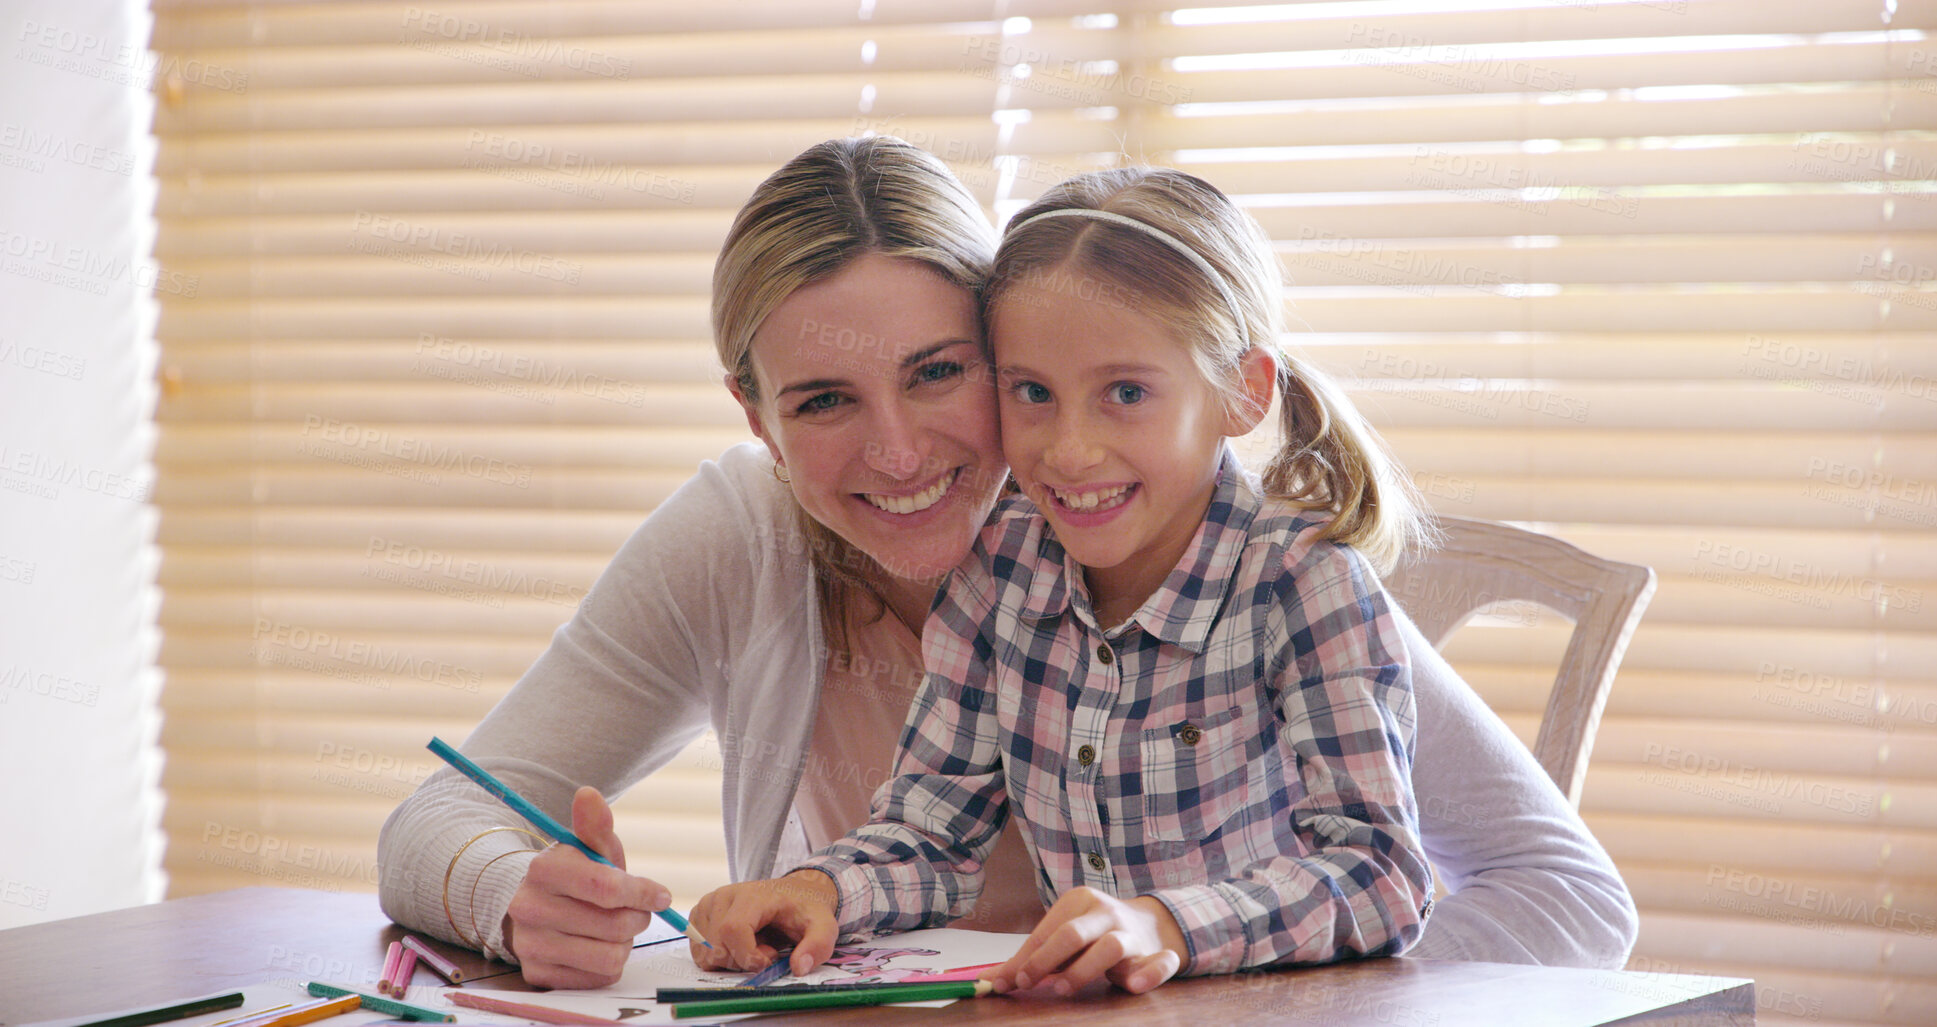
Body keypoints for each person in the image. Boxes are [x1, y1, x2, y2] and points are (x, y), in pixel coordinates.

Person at [375, 136, 1637, 991]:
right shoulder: (861, 558)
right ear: (755, 417)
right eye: (821, 399)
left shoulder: (1247, 565)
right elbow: (921, 831)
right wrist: (523, 896)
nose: (899, 448)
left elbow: (1536, 893)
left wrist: (1221, 980)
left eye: (940, 372)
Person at [686, 167, 1431, 994]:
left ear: (1241, 392)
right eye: (1032, 392)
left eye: (1124, 392)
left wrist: (1164, 921)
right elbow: (932, 833)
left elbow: (1381, 874)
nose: (1069, 449)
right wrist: (814, 889)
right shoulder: (997, 573)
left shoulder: (1304, 582)